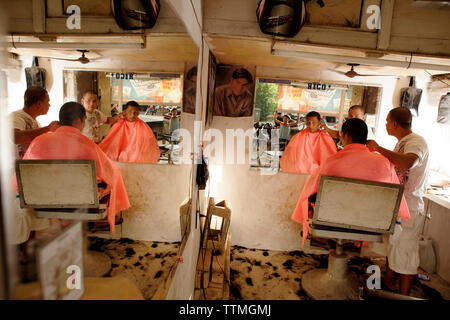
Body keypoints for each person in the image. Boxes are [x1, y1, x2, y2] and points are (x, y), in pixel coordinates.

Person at [292, 118, 410, 247]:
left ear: (346, 136)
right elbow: (397, 199)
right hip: (371, 223)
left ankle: (325, 241)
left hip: (332, 220)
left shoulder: (332, 161)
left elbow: (309, 191)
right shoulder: (384, 163)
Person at [23, 102, 130, 234]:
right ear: (78, 120)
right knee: (110, 183)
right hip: (77, 200)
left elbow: (21, 177)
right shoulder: (87, 145)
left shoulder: (39, 141)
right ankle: (103, 221)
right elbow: (113, 173)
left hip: (42, 199)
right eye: (84, 120)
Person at [367, 107, 429, 296]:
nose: (385, 124)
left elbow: (408, 162)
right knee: (394, 249)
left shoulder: (416, 142)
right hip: (399, 206)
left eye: (387, 121)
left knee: (406, 254)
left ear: (394, 123)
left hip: (409, 208)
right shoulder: (402, 142)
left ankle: (403, 296)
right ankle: (389, 285)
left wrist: (378, 148)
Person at [9, 86, 60, 159]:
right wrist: (47, 128)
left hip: (25, 168)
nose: (49, 105)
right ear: (39, 104)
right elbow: (15, 137)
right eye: (47, 101)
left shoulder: (36, 123)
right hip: (13, 168)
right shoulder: (16, 117)